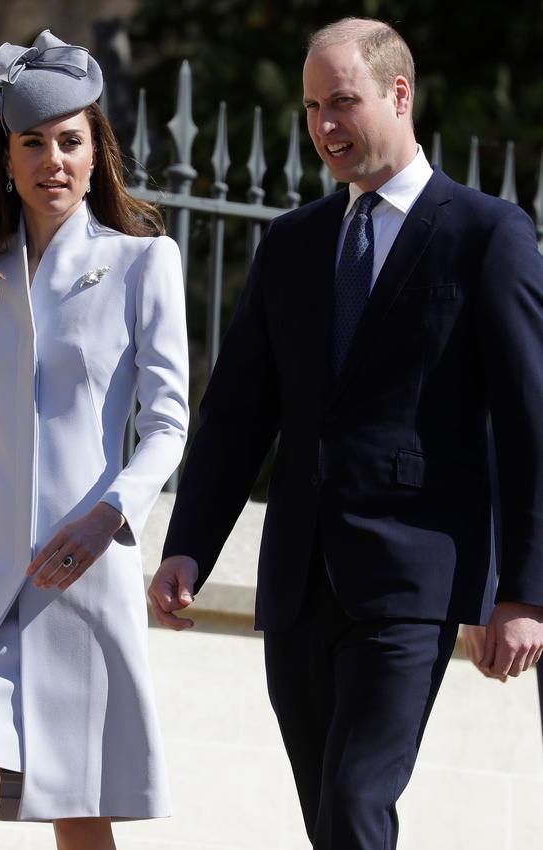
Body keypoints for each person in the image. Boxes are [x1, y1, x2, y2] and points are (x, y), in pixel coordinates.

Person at [147, 16, 543, 850]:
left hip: (413, 582)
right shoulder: (291, 243)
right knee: (331, 819)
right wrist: (188, 546)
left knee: (360, 799)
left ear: (400, 95)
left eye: (344, 102)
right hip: (297, 582)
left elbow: (527, 421)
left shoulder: (486, 234)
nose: (325, 125)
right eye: (312, 108)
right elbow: (238, 412)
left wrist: (522, 591)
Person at [0, 29, 188, 850]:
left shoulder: (144, 263)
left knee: (79, 824)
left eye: (70, 141)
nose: (52, 160)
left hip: (82, 581)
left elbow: (169, 423)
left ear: (97, 154)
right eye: (33, 143)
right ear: (7, 157)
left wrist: (110, 519)